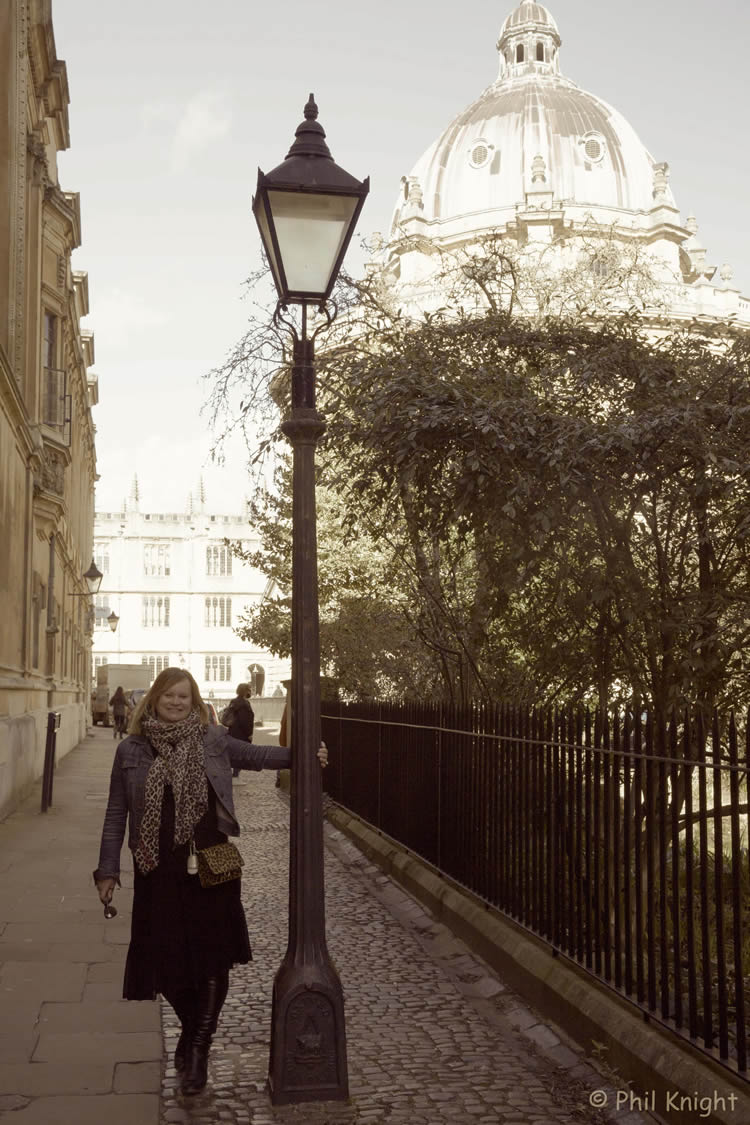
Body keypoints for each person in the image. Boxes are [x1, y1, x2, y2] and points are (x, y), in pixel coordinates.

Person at [93, 666, 327, 1097]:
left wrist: (305, 754)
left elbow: (256, 757)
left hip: (210, 862)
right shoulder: (131, 750)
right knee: (165, 964)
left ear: (195, 701)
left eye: (185, 697)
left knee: (213, 959)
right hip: (155, 867)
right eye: (170, 696)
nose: (177, 703)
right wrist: (108, 870)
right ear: (156, 699)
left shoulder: (212, 740)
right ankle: (191, 1033)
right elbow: (115, 814)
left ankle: (198, 1046)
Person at [225, 683, 254, 780]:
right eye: (249, 689)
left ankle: (233, 773)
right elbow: (244, 721)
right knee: (241, 754)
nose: (251, 691)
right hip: (242, 734)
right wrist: (249, 734)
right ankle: (235, 774)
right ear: (245, 691)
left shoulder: (234, 701)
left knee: (234, 752)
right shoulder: (245, 704)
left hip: (233, 732)